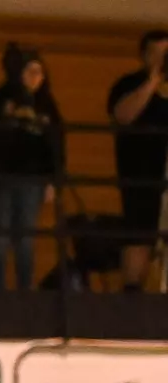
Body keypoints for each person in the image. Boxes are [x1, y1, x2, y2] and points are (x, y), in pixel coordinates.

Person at [0, 45, 63, 290]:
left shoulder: (46, 105)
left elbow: (57, 143)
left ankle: (24, 292)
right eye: (30, 71)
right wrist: (5, 120)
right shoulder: (2, 97)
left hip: (31, 179)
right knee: (0, 236)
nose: (35, 78)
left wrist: (54, 180)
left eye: (39, 72)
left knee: (25, 239)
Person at [107, 30, 168, 292]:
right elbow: (123, 115)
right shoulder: (129, 83)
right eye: (158, 53)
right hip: (140, 174)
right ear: (144, 55)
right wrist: (153, 80)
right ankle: (131, 293)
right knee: (139, 234)